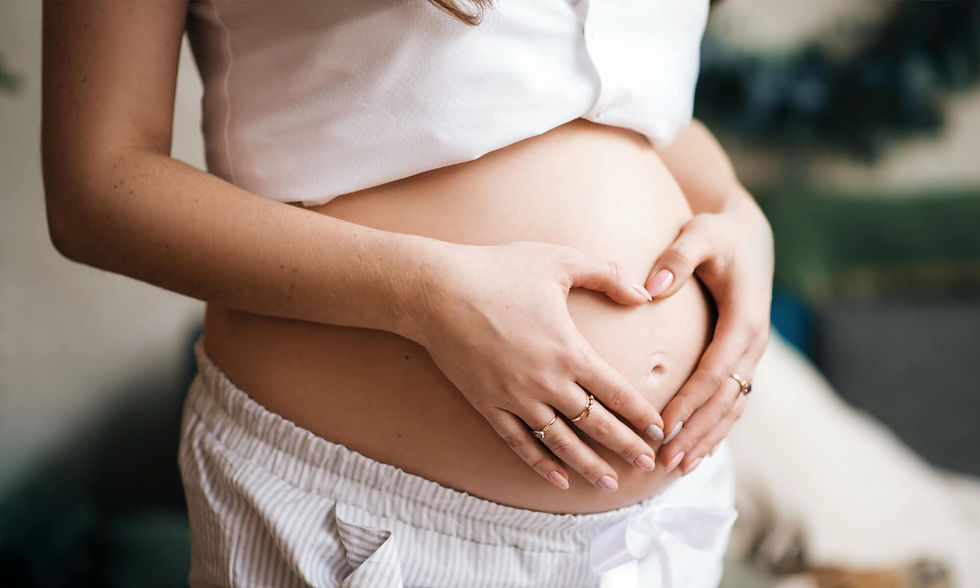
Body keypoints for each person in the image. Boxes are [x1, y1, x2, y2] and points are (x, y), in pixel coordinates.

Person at [40, 0, 773, 585]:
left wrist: (740, 212)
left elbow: (617, 95)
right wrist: (426, 297)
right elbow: (96, 189)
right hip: (361, 524)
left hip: (661, 531)